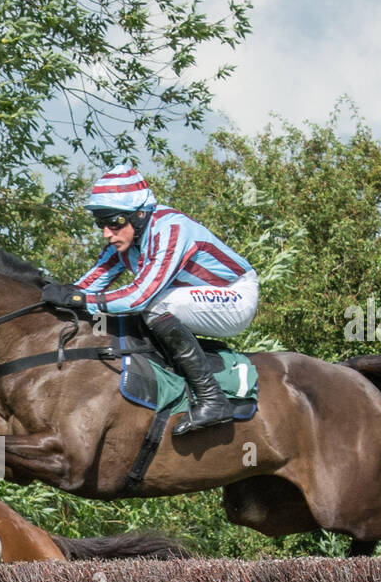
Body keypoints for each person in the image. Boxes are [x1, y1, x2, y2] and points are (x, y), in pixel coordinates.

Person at [42, 165, 259, 435]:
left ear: (140, 215)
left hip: (236, 296)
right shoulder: (124, 241)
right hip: (195, 299)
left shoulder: (170, 229)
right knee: (137, 311)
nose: (107, 233)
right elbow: (88, 284)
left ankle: (212, 399)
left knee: (154, 306)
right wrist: (52, 294)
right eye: (101, 223)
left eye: (114, 222)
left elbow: (138, 296)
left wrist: (80, 299)